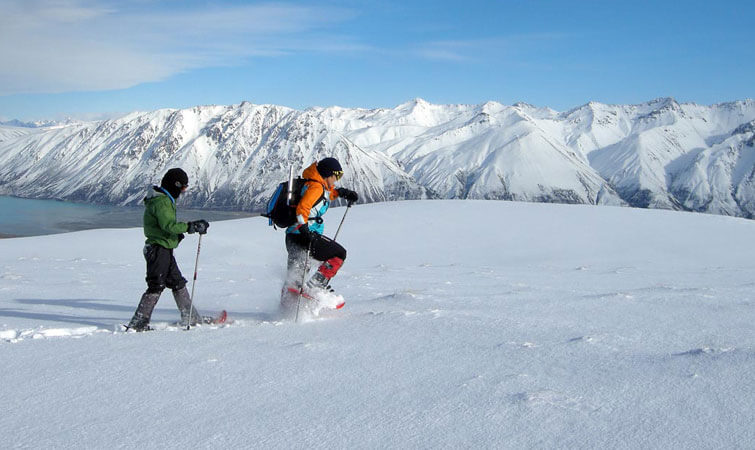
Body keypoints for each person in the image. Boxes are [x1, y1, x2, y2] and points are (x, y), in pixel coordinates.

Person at [126, 168, 211, 331]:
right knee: (156, 284)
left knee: (176, 282)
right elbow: (168, 225)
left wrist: (175, 236)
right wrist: (189, 226)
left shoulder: (163, 199)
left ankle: (190, 317)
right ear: (175, 184)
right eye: (183, 187)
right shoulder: (162, 202)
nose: (184, 191)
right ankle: (138, 323)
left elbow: (164, 227)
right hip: (158, 250)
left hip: (163, 247)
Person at [281, 157, 358, 313]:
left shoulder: (316, 185)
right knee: (339, 254)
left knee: (295, 277)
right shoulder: (316, 187)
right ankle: (315, 287)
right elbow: (302, 208)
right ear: (328, 174)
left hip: (293, 236)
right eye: (337, 175)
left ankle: (284, 309)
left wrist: (341, 193)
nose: (337, 179)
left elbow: (324, 197)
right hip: (302, 235)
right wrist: (304, 230)